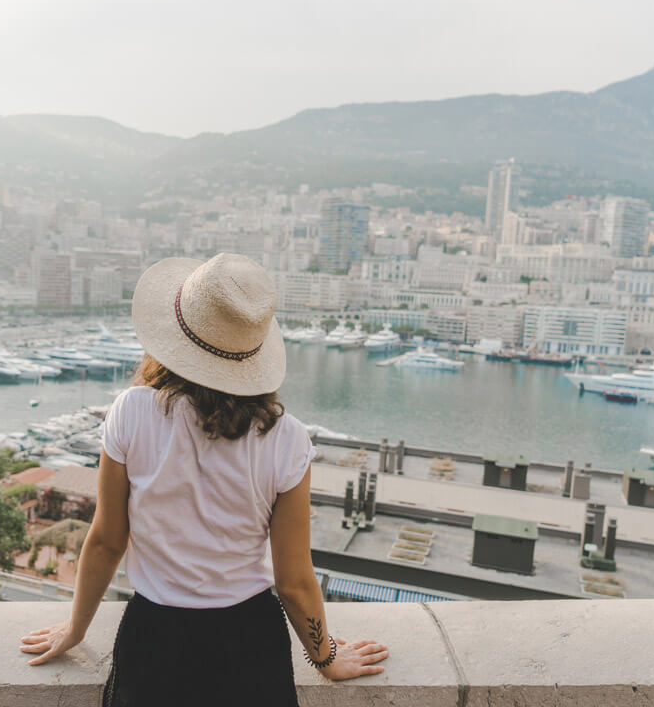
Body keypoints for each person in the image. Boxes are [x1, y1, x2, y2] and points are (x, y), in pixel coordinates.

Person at [20, 253, 389, 705]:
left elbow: (106, 541)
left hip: (154, 639)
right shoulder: (285, 439)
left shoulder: (133, 412)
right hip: (251, 642)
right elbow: (293, 579)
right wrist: (327, 658)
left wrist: (76, 628)